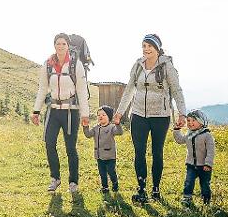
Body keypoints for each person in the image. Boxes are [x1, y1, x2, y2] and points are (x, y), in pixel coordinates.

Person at [114, 34, 186, 203]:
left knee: (157, 152)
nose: (146, 49)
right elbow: (129, 90)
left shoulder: (167, 66)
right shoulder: (138, 65)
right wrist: (119, 112)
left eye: (149, 46)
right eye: (144, 46)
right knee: (139, 152)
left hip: (160, 116)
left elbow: (176, 90)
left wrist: (182, 113)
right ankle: (141, 189)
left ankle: (155, 189)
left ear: (157, 48)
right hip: (138, 115)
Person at [32, 33, 90, 194]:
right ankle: (55, 178)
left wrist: (85, 114)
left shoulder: (75, 65)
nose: (60, 46)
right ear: (54, 45)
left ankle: (73, 182)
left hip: (71, 112)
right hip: (53, 111)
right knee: (49, 144)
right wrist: (36, 111)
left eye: (63, 44)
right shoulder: (48, 65)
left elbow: (82, 90)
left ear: (68, 46)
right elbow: (43, 89)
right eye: (58, 43)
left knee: (70, 147)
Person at [173, 109, 216, 205]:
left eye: (193, 120)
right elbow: (180, 140)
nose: (190, 123)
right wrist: (176, 129)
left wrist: (208, 164)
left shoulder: (207, 135)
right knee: (188, 181)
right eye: (188, 121)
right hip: (191, 165)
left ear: (201, 122)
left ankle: (206, 199)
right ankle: (187, 198)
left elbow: (211, 151)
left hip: (204, 166)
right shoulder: (189, 134)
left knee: (205, 184)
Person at [83, 105, 123, 194]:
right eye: (99, 115)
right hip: (99, 156)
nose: (100, 116)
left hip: (110, 156)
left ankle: (115, 183)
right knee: (102, 173)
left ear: (109, 117)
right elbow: (88, 135)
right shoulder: (95, 128)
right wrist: (85, 127)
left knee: (111, 171)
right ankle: (105, 187)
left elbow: (119, 132)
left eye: (103, 115)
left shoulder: (111, 128)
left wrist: (117, 124)